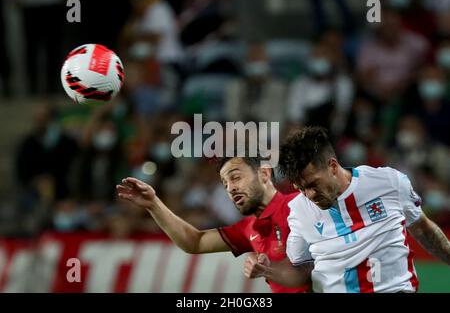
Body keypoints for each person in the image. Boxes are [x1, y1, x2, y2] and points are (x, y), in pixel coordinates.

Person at [244, 126, 450, 293]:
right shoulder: (298, 211)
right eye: (300, 189)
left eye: (313, 184)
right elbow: (303, 270)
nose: (309, 195)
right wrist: (267, 270)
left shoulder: (388, 182)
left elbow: (422, 228)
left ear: (333, 166)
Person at [116, 154, 310, 293]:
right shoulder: (247, 228)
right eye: (225, 184)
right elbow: (195, 242)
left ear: (264, 174)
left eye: (235, 177)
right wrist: (153, 204)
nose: (231, 188)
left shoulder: (303, 203)